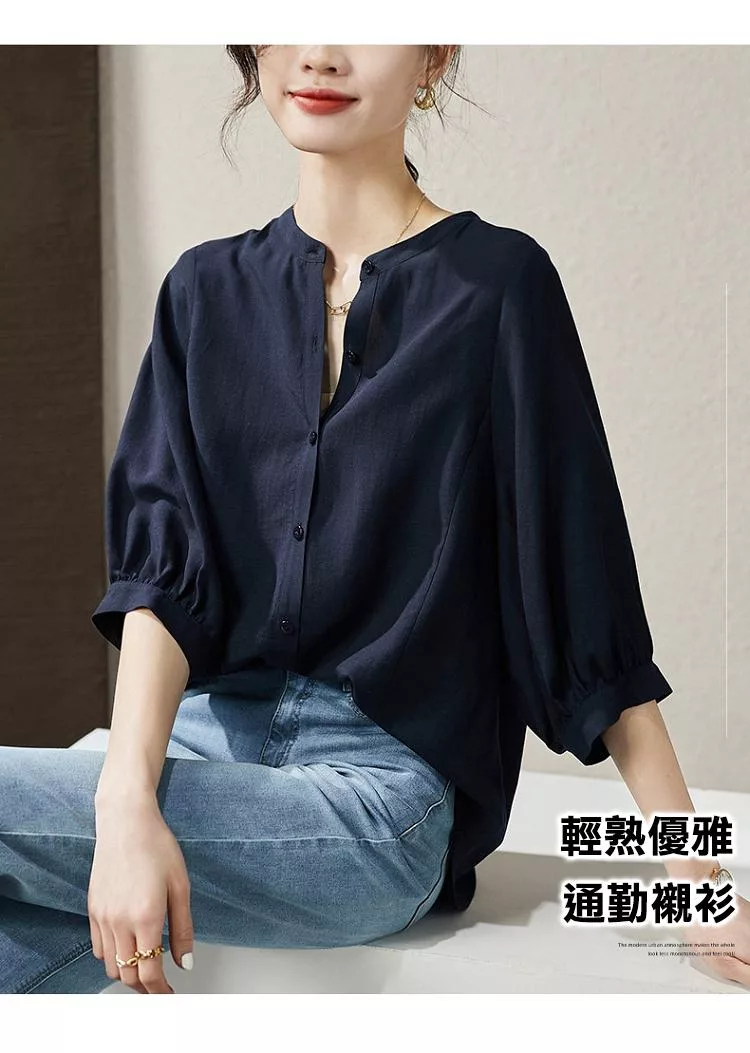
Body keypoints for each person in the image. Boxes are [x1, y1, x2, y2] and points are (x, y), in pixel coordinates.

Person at [1, 45, 747, 996]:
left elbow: (582, 594)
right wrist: (123, 799)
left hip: (377, 801)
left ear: (434, 54)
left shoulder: (498, 286)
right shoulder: (202, 291)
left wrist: (694, 884)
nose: (320, 51)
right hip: (199, 747)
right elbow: (162, 580)